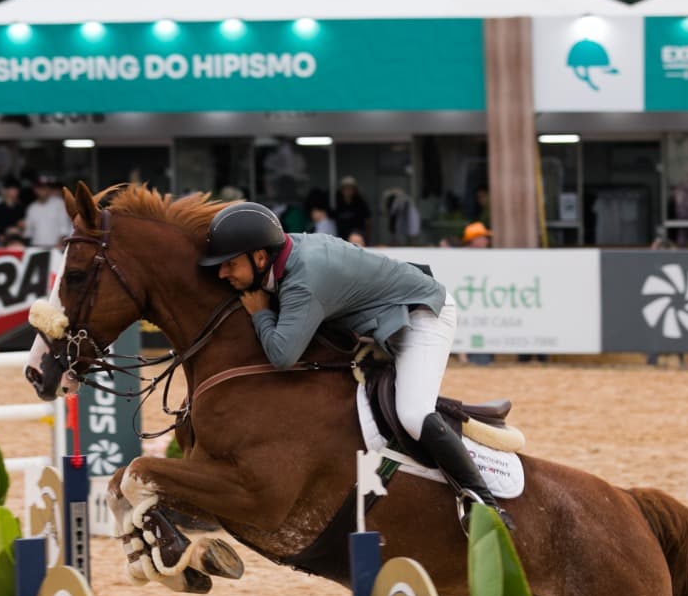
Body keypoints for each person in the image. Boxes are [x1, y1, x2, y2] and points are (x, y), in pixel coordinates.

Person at [200, 201, 507, 527]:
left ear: (260, 257)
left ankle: (484, 505)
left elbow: (282, 356)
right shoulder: (283, 256)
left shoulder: (304, 278)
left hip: (423, 315)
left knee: (413, 414)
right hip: (385, 319)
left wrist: (261, 313)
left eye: (229, 264)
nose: (222, 273)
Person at [23, 174, 69, 248]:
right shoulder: (32, 208)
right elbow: (28, 232)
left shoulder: (59, 203)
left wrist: (59, 244)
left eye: (45, 187)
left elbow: (64, 228)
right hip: (36, 246)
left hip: (56, 247)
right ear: (35, 190)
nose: (43, 191)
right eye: (40, 188)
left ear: (49, 189)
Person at [333, 176, 371, 243]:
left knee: (355, 238)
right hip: (341, 236)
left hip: (357, 235)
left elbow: (367, 222)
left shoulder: (361, 203)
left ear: (355, 190)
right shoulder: (337, 204)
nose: (348, 191)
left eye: (350, 188)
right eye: (346, 188)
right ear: (342, 190)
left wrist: (367, 238)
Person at [0, 177, 26, 244]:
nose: (15, 192)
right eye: (12, 189)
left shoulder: (21, 209)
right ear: (5, 190)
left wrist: (21, 227)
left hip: (18, 242)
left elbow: (23, 227)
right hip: (2, 243)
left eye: (17, 190)